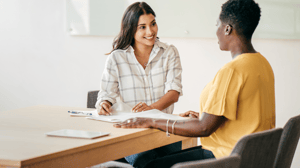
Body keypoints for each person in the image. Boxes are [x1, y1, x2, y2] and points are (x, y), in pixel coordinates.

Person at [114, 0, 276, 167]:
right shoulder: (262, 64)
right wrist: (205, 117)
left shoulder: (232, 71)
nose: (216, 31)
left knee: (147, 165)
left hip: (225, 158)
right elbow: (246, 116)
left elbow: (204, 129)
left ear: (227, 29)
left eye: (217, 25)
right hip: (252, 158)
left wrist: (152, 121)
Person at [95, 2, 183, 168]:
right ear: (131, 29)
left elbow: (174, 92)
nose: (150, 31)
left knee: (173, 161)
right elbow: (106, 93)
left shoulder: (169, 52)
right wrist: (104, 104)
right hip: (131, 132)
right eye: (142, 27)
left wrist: (151, 110)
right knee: (145, 161)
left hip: (164, 131)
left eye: (153, 24)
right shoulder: (116, 58)